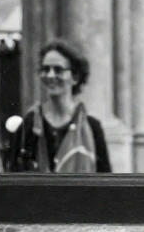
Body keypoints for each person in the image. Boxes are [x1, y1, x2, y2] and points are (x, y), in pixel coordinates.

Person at [8, 39, 112, 173]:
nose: (50, 75)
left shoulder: (93, 127)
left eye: (58, 70)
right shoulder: (30, 124)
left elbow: (104, 180)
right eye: (45, 69)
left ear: (75, 77)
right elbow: (13, 175)